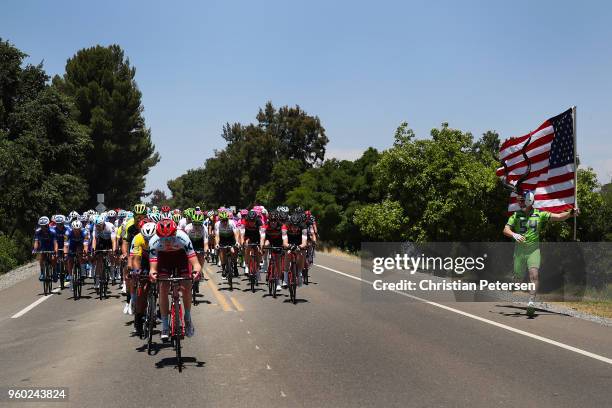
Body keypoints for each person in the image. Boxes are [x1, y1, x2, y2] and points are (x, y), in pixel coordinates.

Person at [503, 190, 579, 316]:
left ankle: (531, 303)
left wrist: (571, 213)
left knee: (534, 275)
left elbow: (559, 217)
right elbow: (505, 229)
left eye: (522, 200)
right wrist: (514, 234)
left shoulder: (540, 214)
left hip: (533, 250)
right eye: (519, 200)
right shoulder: (516, 215)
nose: (519, 203)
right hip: (519, 251)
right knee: (518, 281)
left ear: (529, 200)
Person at [148, 219, 201, 339]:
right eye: (163, 238)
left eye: (170, 237)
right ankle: (165, 324)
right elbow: (153, 266)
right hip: (164, 259)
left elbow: (195, 262)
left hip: (181, 257)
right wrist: (152, 272)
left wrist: (197, 271)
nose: (167, 241)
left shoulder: (183, 238)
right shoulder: (154, 241)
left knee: (186, 287)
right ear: (158, 235)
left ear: (175, 233)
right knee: (163, 288)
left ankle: (187, 318)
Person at [128, 222, 156, 336]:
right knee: (143, 290)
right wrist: (137, 271)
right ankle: (138, 318)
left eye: (151, 239)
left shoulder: (160, 238)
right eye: (146, 239)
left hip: (157, 258)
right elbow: (136, 259)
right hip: (143, 260)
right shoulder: (138, 238)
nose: (148, 241)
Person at [214, 210, 241, 280]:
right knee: (222, 251)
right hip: (222, 239)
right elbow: (217, 236)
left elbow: (236, 233)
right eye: (223, 221)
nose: (225, 222)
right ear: (220, 220)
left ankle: (235, 266)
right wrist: (217, 244)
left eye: (226, 220)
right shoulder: (217, 224)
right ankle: (223, 270)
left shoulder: (232, 223)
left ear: (228, 219)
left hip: (231, 238)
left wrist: (237, 242)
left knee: (234, 251)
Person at [33, 216, 58, 282]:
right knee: (41, 257)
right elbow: (36, 242)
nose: (43, 227)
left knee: (53, 258)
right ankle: (42, 273)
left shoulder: (53, 231)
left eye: (44, 226)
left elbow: (55, 242)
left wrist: (55, 250)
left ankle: (54, 272)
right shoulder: (38, 231)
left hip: (51, 245)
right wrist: (35, 249)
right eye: (41, 226)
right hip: (43, 245)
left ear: (47, 225)